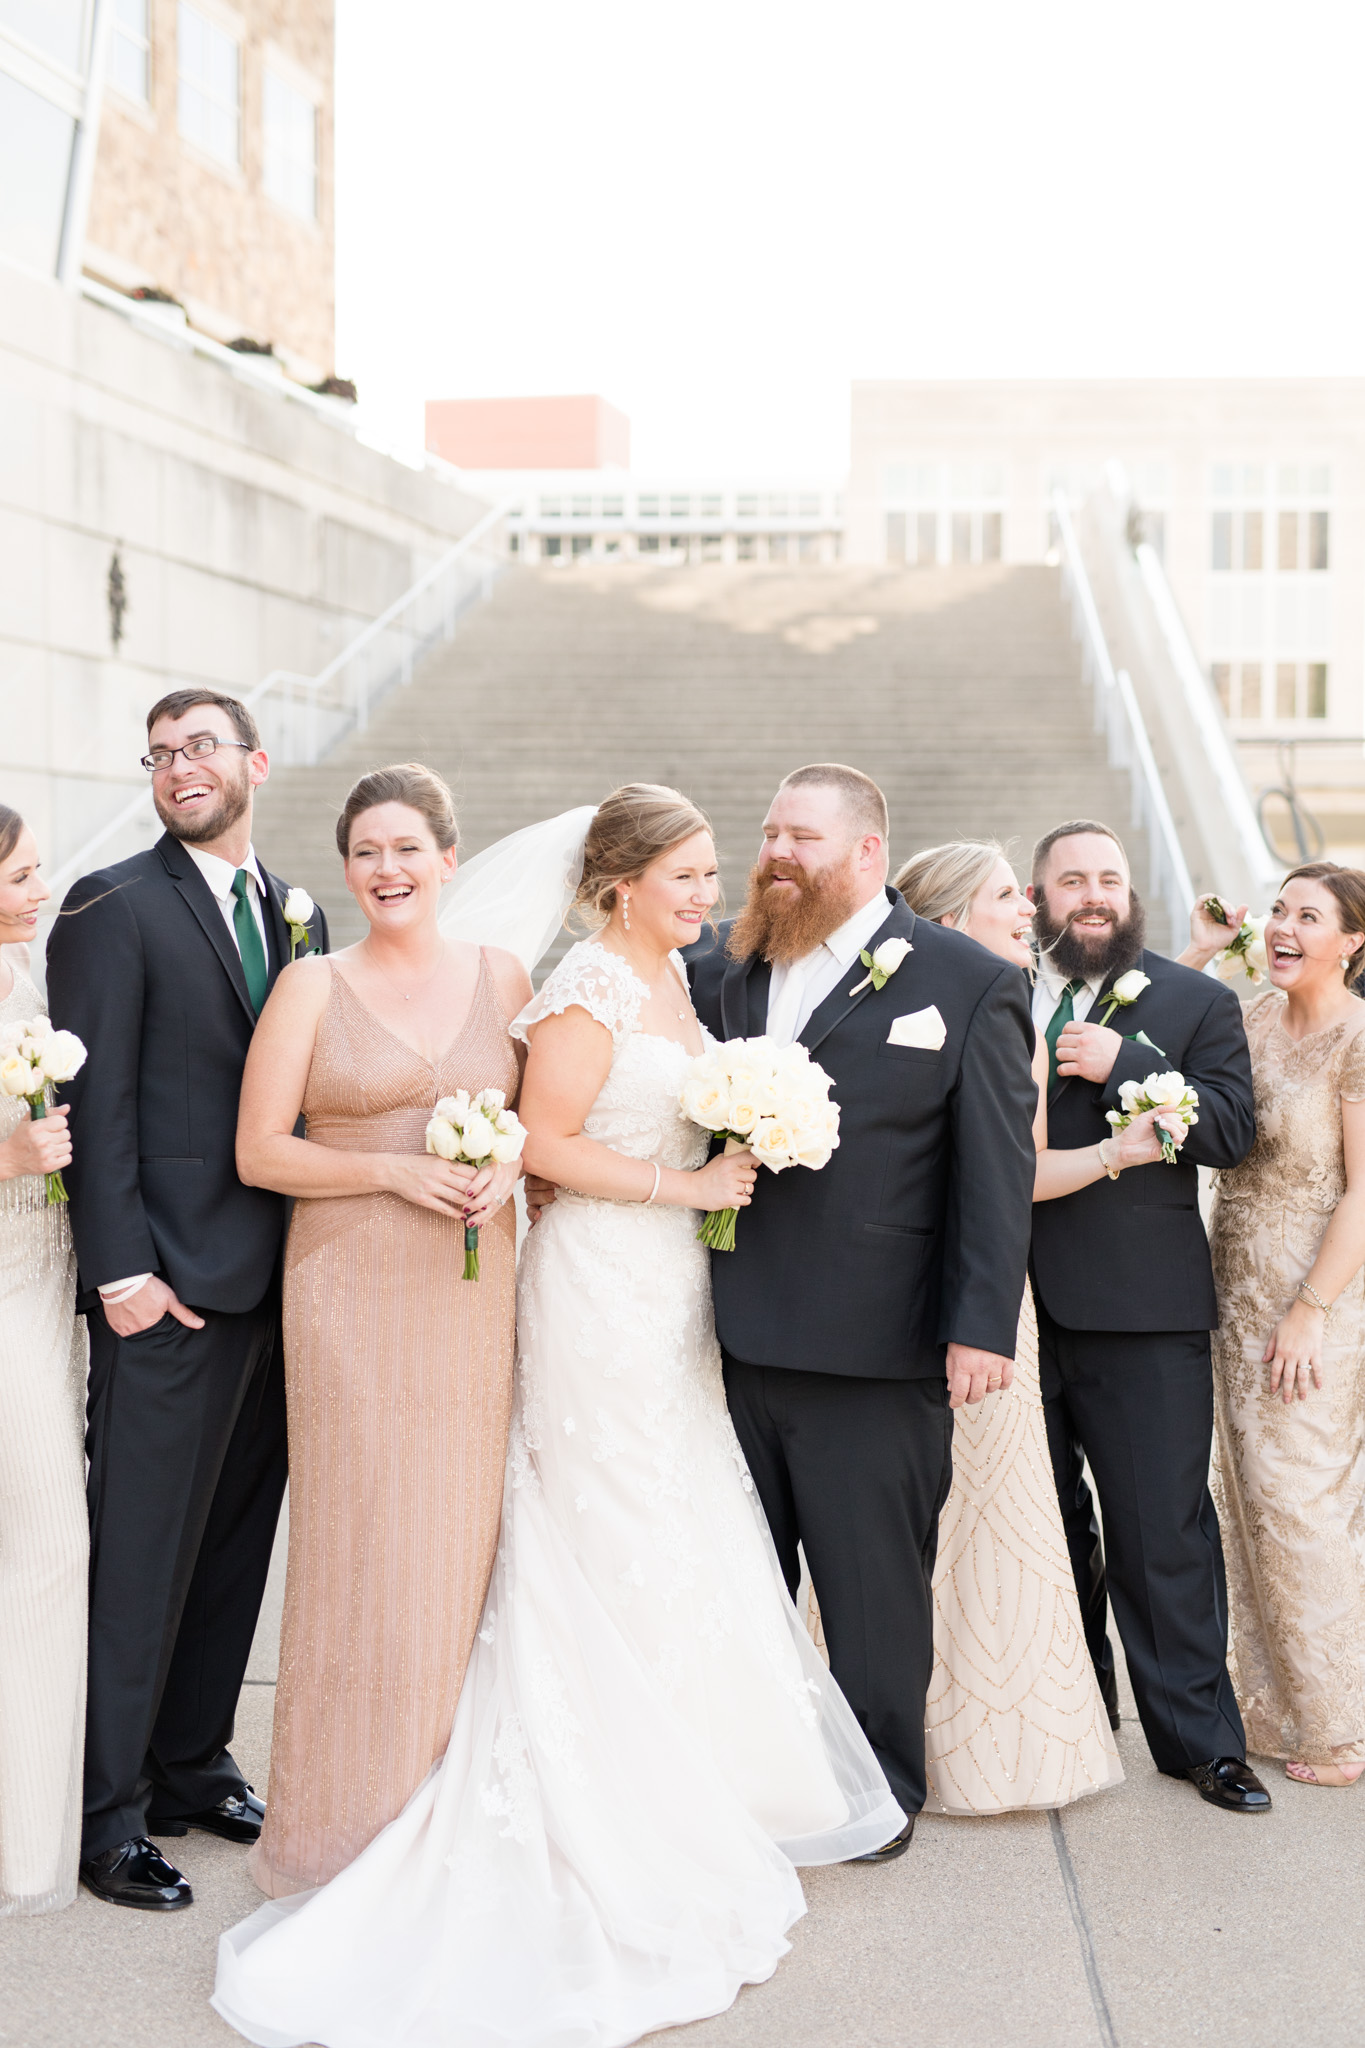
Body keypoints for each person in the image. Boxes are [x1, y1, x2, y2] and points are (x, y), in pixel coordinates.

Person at [212, 784, 901, 2048]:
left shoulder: (683, 984)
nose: (710, 893)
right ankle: (602, 1793)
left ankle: (694, 1776)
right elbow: (540, 1138)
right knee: (603, 1512)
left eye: (710, 873)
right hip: (593, 1284)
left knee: (674, 1515)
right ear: (620, 882)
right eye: (686, 875)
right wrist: (683, 1179)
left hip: (670, 1291)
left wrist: (739, 1155)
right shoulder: (585, 980)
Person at [689, 766, 1038, 1853]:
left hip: (879, 1345)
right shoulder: (720, 967)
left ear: (868, 852)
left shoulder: (968, 981)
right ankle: (754, 1779)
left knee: (874, 1587)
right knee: (739, 1576)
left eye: (801, 835)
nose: (777, 851)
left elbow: (993, 1171)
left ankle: (883, 1790)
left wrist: (981, 1323)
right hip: (721, 1332)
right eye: (769, 831)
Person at [45, 690, 328, 1912]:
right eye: (159, 754)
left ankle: (190, 1763)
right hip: (164, 1291)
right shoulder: (112, 905)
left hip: (279, 1291)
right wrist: (123, 1275)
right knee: (144, 1556)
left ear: (255, 762)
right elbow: (90, 1109)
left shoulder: (293, 908)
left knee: (230, 1549)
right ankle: (105, 1814)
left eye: (200, 746)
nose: (178, 768)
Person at [235, 764, 532, 1895]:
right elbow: (261, 1150)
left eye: (408, 848)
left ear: (450, 858)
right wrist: (391, 1171)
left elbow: (533, 1122)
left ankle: (450, 1799)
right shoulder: (313, 982)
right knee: (363, 1540)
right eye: (367, 852)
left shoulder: (504, 974)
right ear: (347, 865)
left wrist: (501, 1164)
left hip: (470, 1285)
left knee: (461, 1537)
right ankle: (343, 1818)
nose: (387, 870)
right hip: (350, 1285)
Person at [895, 839, 1186, 1811]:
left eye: (1026, 895)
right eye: (1004, 896)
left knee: (1000, 1515)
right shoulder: (883, 1003)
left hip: (990, 1291)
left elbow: (1017, 1176)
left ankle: (995, 1730)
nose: (1026, 908)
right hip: (888, 1286)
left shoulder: (1011, 1009)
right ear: (943, 916)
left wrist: (1121, 1149)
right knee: (906, 1514)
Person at [1026, 818, 1268, 1813]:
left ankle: (1201, 1741)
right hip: (1007, 1306)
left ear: (1131, 895)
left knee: (1161, 1528)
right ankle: (1074, 1724)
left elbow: (1232, 1131)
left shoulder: (1194, 999)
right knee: (1045, 1529)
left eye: (1109, 879)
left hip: (1142, 1313)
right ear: (1038, 896)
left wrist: (1126, 1062)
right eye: (1071, 878)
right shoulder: (1001, 987)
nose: (1093, 893)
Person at [1188, 864, 1365, 1787]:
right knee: (1246, 1497)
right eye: (1281, 911)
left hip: (1313, 1295)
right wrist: (1202, 949)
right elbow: (1152, 1034)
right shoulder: (1248, 1016)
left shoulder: (1357, 1040)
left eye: (1311, 916)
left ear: (1352, 941)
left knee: (1301, 1502)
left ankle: (1341, 1725)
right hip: (1231, 1284)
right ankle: (1274, 1702)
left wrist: (1308, 1311)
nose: (1287, 927)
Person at [0, 809, 88, 1915]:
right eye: (18, 875)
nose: (37, 888)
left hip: (49, 1279)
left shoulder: (32, 965)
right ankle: (22, 1834)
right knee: (49, 1541)